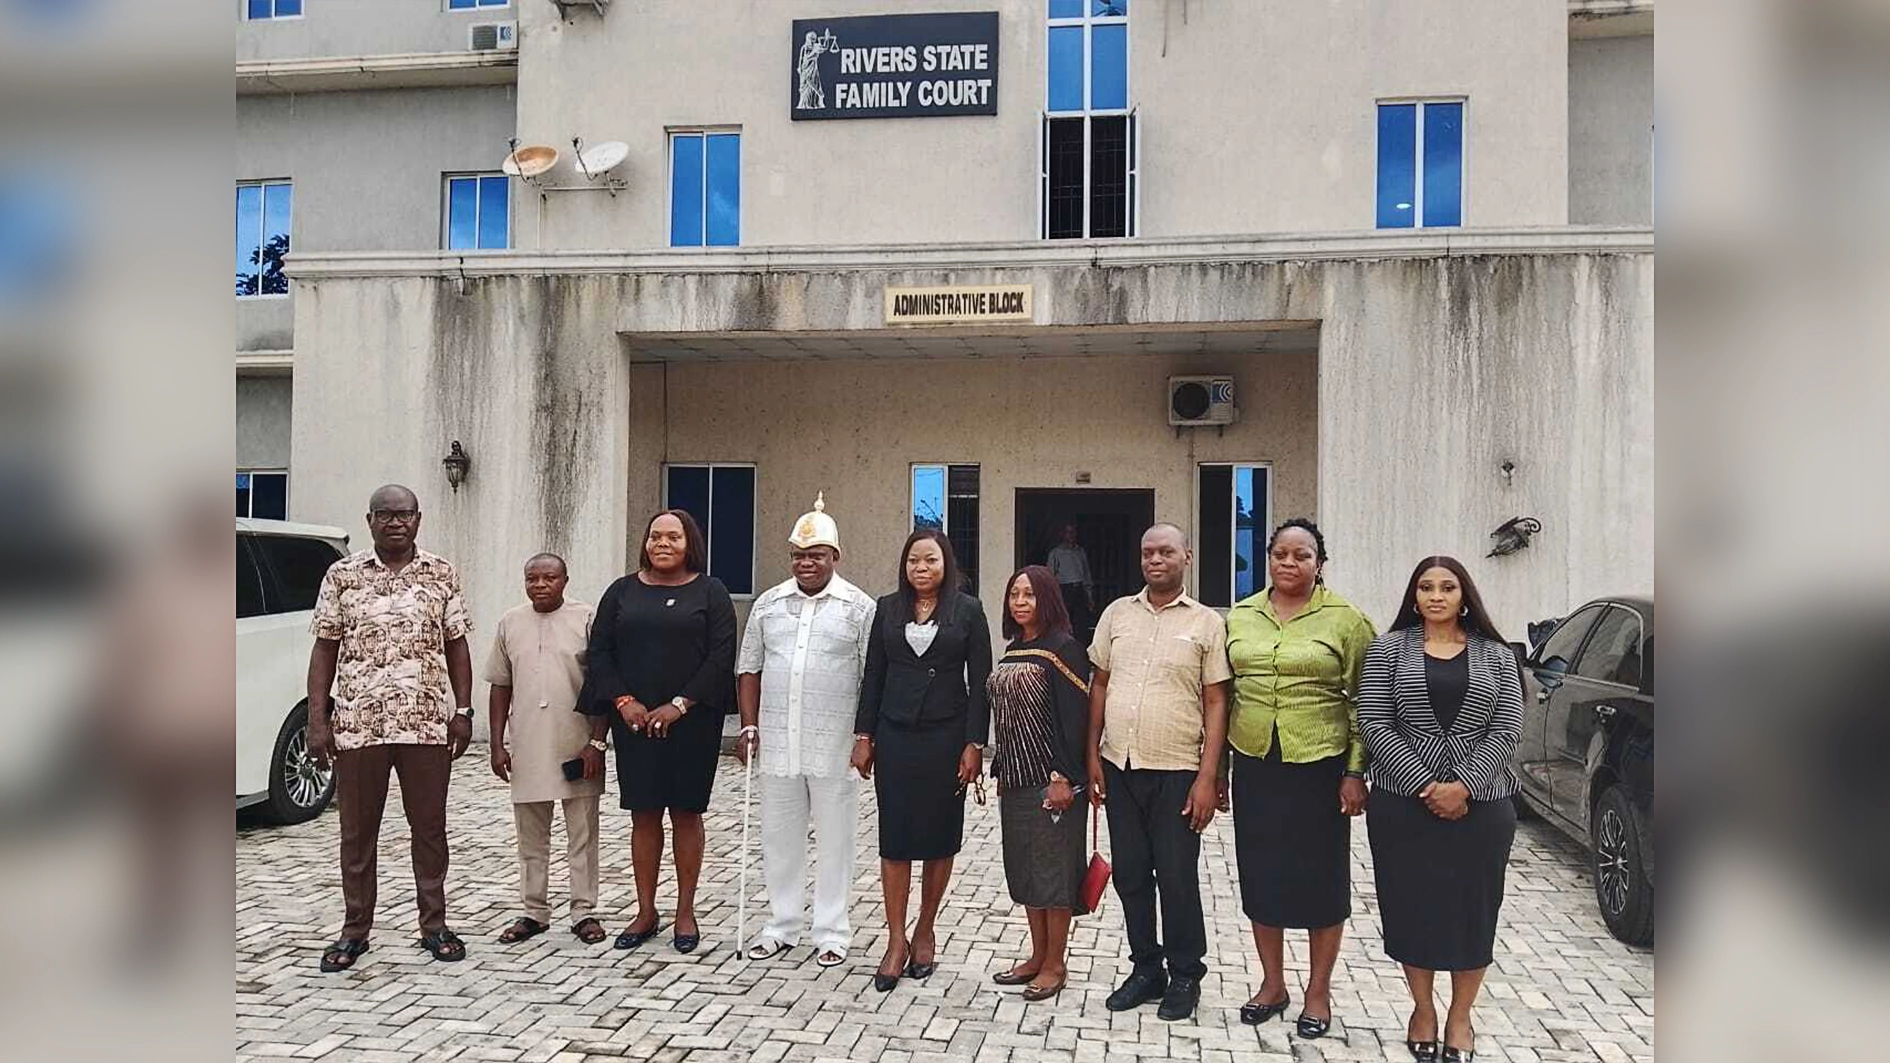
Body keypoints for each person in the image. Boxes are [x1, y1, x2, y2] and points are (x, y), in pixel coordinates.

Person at [1357, 556, 1525, 1063]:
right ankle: (1423, 1009)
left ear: (1463, 595)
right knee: (1413, 909)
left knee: (1473, 912)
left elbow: (1507, 728)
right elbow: (1374, 722)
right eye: (1426, 587)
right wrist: (1428, 785)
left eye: (1447, 587)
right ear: (1413, 597)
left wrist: (1465, 787)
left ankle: (1460, 1015)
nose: (1436, 595)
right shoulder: (1388, 650)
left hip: (1482, 807)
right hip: (1404, 807)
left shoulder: (1497, 656)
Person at [306, 484, 474, 971]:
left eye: (404, 515)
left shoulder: (441, 573)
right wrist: (319, 721)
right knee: (357, 834)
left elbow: (457, 645)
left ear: (418, 520)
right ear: (369, 520)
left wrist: (462, 711)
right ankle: (355, 929)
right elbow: (324, 650)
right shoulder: (342, 576)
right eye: (385, 514)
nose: (395, 522)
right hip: (359, 726)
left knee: (429, 830)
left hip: (424, 726)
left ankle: (435, 925)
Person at [1223, 518, 1376, 1038]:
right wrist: (1217, 769)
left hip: (1320, 764)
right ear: (1267, 558)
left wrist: (1356, 770)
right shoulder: (1242, 615)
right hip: (1255, 760)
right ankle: (1272, 984)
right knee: (1261, 874)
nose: (1289, 564)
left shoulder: (1346, 620)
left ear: (1319, 563)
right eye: (1280, 554)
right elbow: (1226, 694)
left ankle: (1317, 991)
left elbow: (1366, 700)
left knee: (1320, 879)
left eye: (1301, 555)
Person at [1084, 523, 1231, 1022]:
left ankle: (1186, 973)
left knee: (1175, 876)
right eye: (1147, 552)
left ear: (1186, 556)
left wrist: (1208, 776)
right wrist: (1091, 756)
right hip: (1119, 764)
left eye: (1166, 551)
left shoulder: (1207, 623)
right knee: (1130, 875)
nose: (1155, 559)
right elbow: (1099, 685)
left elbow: (1216, 700)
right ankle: (1147, 968)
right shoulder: (1117, 615)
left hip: (1177, 770)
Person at [581, 510, 737, 954]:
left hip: (692, 724)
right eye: (655, 536)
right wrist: (624, 702)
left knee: (687, 813)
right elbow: (600, 654)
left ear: (690, 543)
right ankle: (646, 909)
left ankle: (685, 911)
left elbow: (720, 658)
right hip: (633, 724)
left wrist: (679, 705)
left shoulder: (712, 592)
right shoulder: (621, 592)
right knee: (643, 815)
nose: (663, 543)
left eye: (673, 536)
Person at [735, 494, 876, 967]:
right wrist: (749, 725)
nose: (806, 563)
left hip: (834, 745)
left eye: (815, 555)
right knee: (778, 836)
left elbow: (869, 679)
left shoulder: (859, 608)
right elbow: (749, 667)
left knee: (836, 839)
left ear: (834, 556)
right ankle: (781, 924)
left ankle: (832, 931)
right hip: (776, 740)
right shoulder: (769, 604)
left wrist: (864, 737)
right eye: (798, 555)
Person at [851, 528, 992, 992]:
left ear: (946, 564)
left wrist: (974, 744)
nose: (921, 569)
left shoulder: (968, 611)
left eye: (930, 560)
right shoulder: (886, 608)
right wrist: (864, 735)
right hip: (894, 736)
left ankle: (925, 928)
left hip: (946, 738)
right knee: (895, 838)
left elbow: (981, 682)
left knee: (937, 837)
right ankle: (895, 939)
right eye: (914, 561)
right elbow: (873, 674)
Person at [485, 553, 607, 947]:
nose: (539, 585)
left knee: (582, 835)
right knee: (531, 837)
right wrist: (497, 743)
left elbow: (604, 684)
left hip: (577, 743)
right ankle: (533, 911)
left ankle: (584, 912)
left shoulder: (587, 619)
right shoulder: (510, 622)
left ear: (565, 580)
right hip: (528, 744)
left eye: (548, 578)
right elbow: (500, 685)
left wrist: (597, 742)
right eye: (532, 578)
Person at [987, 565, 1093, 1003]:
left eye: (1029, 594)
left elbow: (1075, 718)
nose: (1020, 601)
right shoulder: (1015, 649)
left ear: (1047, 598)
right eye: (1014, 594)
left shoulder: (1065, 649)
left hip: (1052, 783)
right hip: (1015, 779)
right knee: (1028, 872)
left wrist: (1064, 777)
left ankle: (1055, 963)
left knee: (1054, 875)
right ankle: (1036, 955)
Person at [1047, 523, 1095, 638]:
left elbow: (1086, 575)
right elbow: (1050, 576)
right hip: (1064, 590)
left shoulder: (1080, 552)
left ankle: (1079, 647)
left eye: (1073, 532)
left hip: (1079, 590)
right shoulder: (1056, 553)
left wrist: (1089, 597)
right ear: (1063, 534)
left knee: (1080, 623)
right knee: (1063, 622)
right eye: (1068, 532)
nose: (1071, 535)